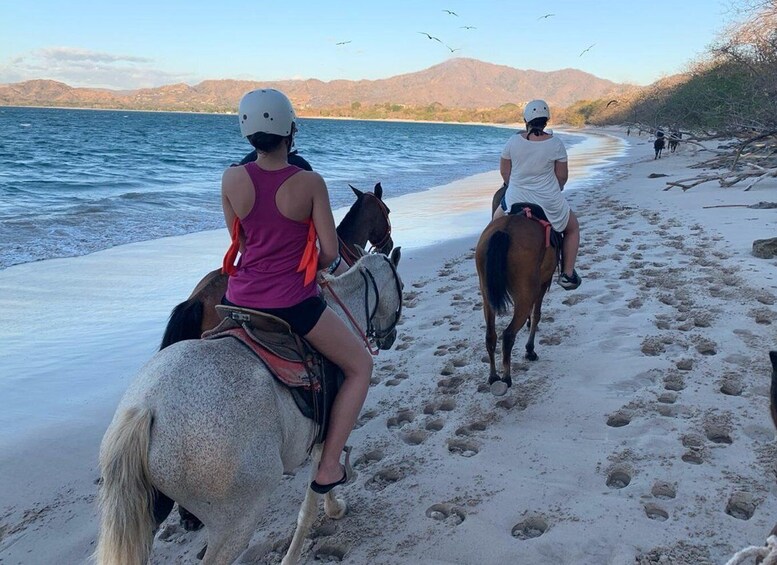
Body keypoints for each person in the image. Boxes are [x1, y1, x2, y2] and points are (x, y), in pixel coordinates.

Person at [221, 88, 372, 492]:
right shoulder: (309, 183)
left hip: (236, 300)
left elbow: (240, 239)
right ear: (290, 129)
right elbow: (327, 251)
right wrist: (309, 265)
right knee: (360, 366)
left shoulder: (232, 178)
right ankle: (328, 467)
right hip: (291, 304)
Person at [494, 99, 581, 290]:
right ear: (546, 120)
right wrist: (551, 189)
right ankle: (567, 273)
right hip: (547, 201)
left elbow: (504, 173)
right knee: (573, 228)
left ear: (526, 119)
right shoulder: (556, 143)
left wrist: (515, 185)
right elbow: (562, 178)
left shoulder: (513, 141)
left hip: (515, 197)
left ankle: (489, 262)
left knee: (495, 222)